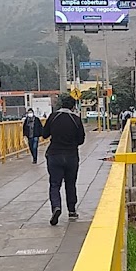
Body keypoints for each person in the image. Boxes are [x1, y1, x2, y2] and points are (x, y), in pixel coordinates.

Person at [41, 94, 86, 225]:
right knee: (70, 183)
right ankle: (72, 211)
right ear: (73, 106)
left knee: (55, 184)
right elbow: (81, 140)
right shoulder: (76, 119)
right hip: (71, 156)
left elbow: (44, 135)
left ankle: (56, 207)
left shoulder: (53, 117)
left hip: (54, 155)